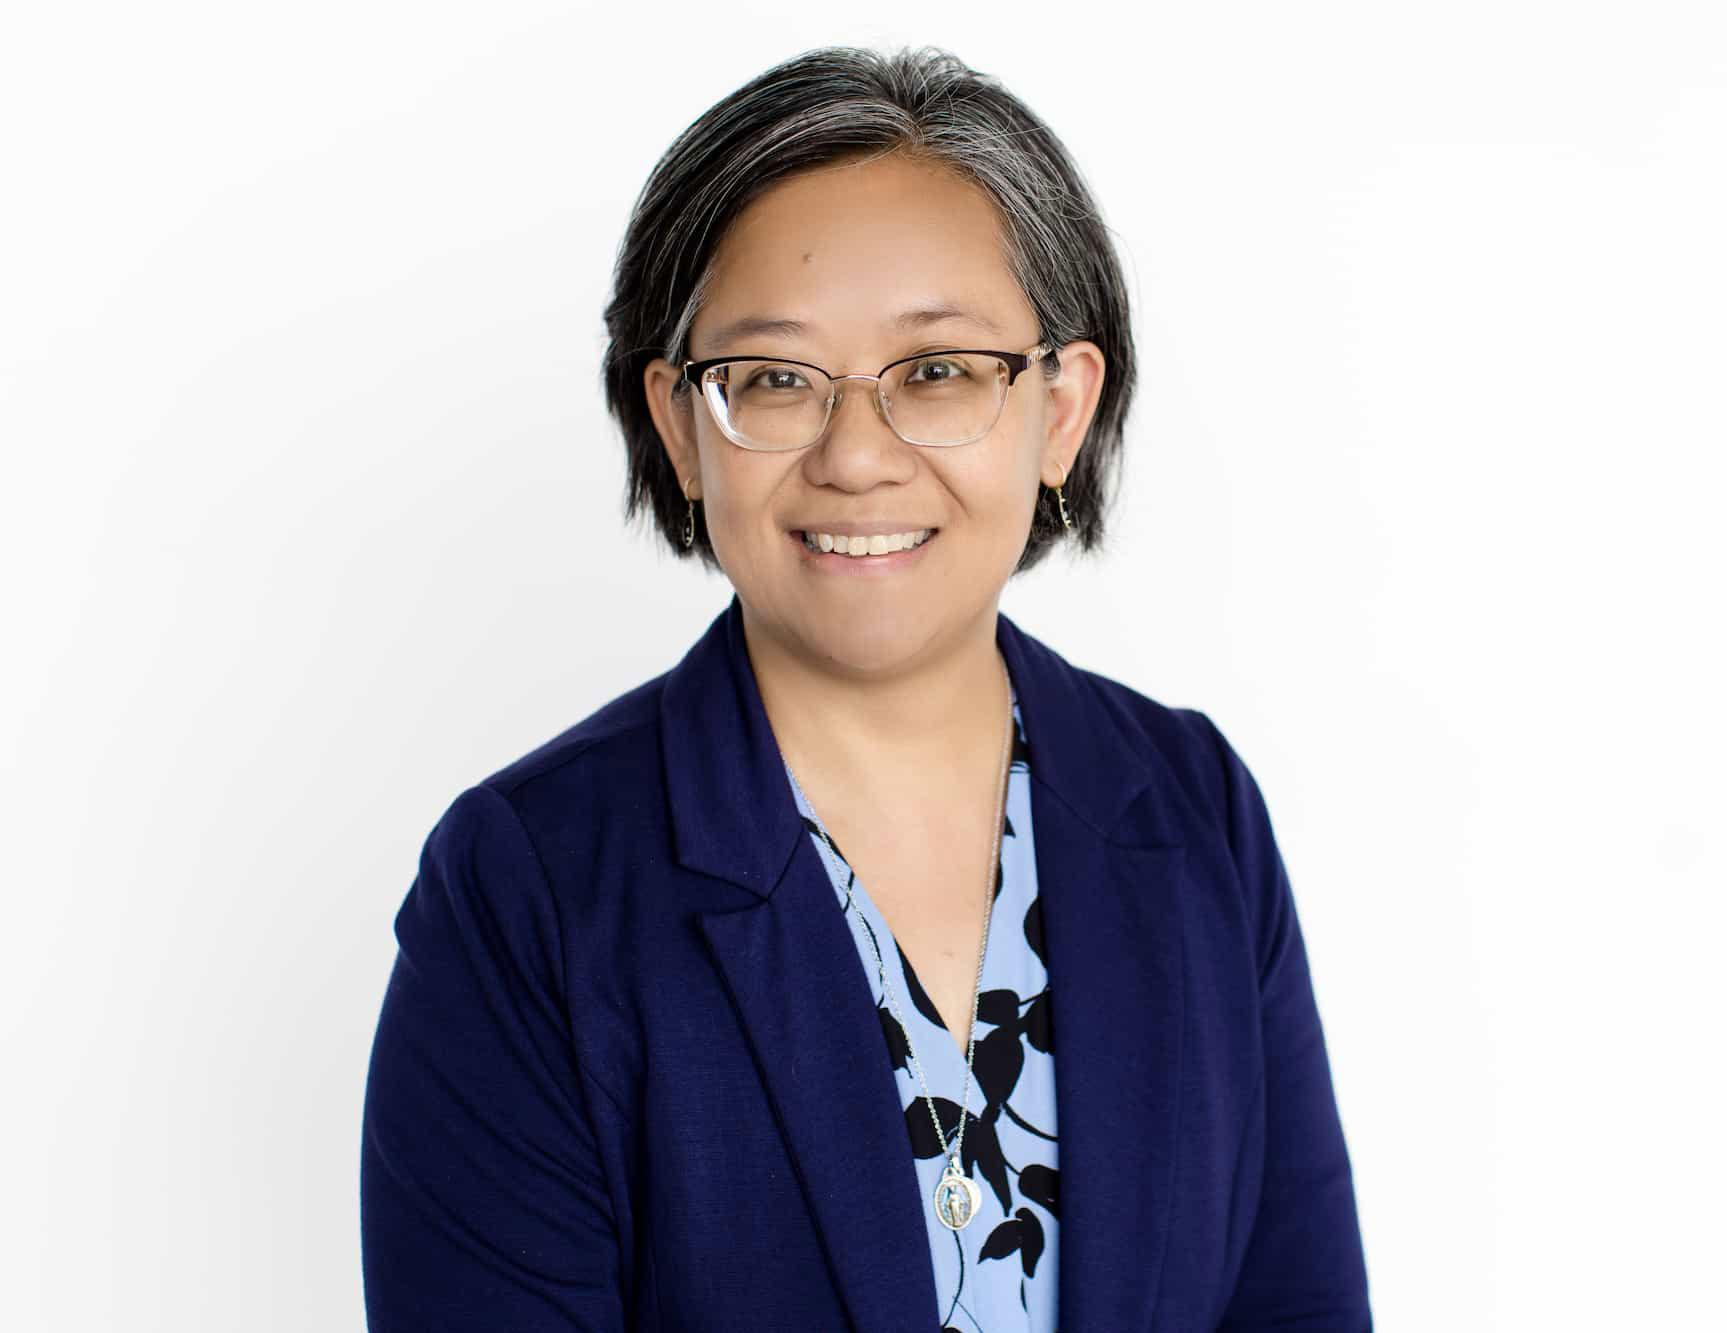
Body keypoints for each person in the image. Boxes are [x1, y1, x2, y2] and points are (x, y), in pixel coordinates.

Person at [359, 44, 1371, 1333]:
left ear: (1062, 411)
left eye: (938, 371)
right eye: (776, 381)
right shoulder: (528, 886)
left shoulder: (1195, 810)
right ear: (680, 427)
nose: (855, 457)